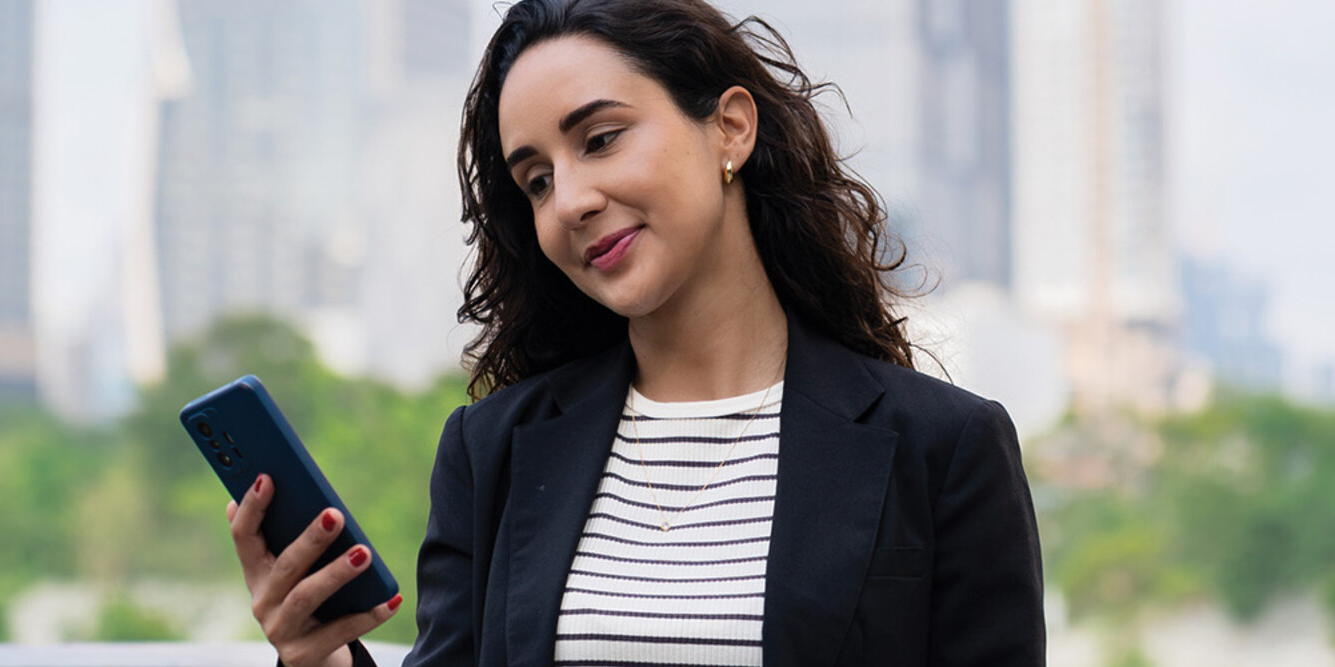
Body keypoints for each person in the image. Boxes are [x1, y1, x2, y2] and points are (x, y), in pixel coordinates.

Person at [222, 0, 1045, 665]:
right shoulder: (493, 450)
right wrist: (319, 659)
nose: (571, 199)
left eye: (601, 139)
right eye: (537, 180)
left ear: (730, 128)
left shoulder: (943, 447)